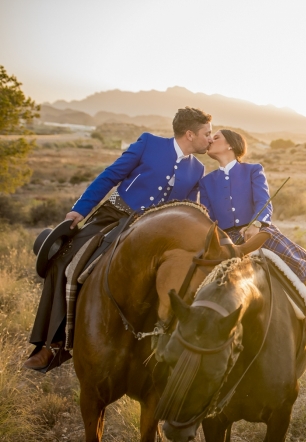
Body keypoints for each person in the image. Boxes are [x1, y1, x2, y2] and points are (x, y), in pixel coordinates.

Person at [24, 107, 213, 371]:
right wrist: (81, 208)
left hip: (154, 233)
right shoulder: (149, 143)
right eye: (207, 133)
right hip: (115, 215)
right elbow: (111, 175)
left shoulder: (198, 169)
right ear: (190, 134)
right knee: (64, 262)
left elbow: (186, 209)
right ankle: (51, 345)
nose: (210, 139)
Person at [199, 129, 306, 353]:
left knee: (297, 259)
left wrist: (256, 224)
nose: (209, 140)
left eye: (215, 137)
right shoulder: (206, 182)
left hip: (258, 230)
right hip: (227, 238)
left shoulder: (253, 170)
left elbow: (264, 201)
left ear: (231, 145)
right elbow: (207, 216)